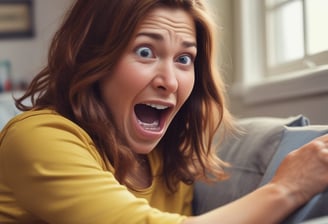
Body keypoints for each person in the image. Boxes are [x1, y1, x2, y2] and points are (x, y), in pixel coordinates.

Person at [0, 0, 328, 223]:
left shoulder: (167, 156)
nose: (170, 82)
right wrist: (287, 188)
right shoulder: (35, 139)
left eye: (184, 59)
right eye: (145, 52)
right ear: (93, 58)